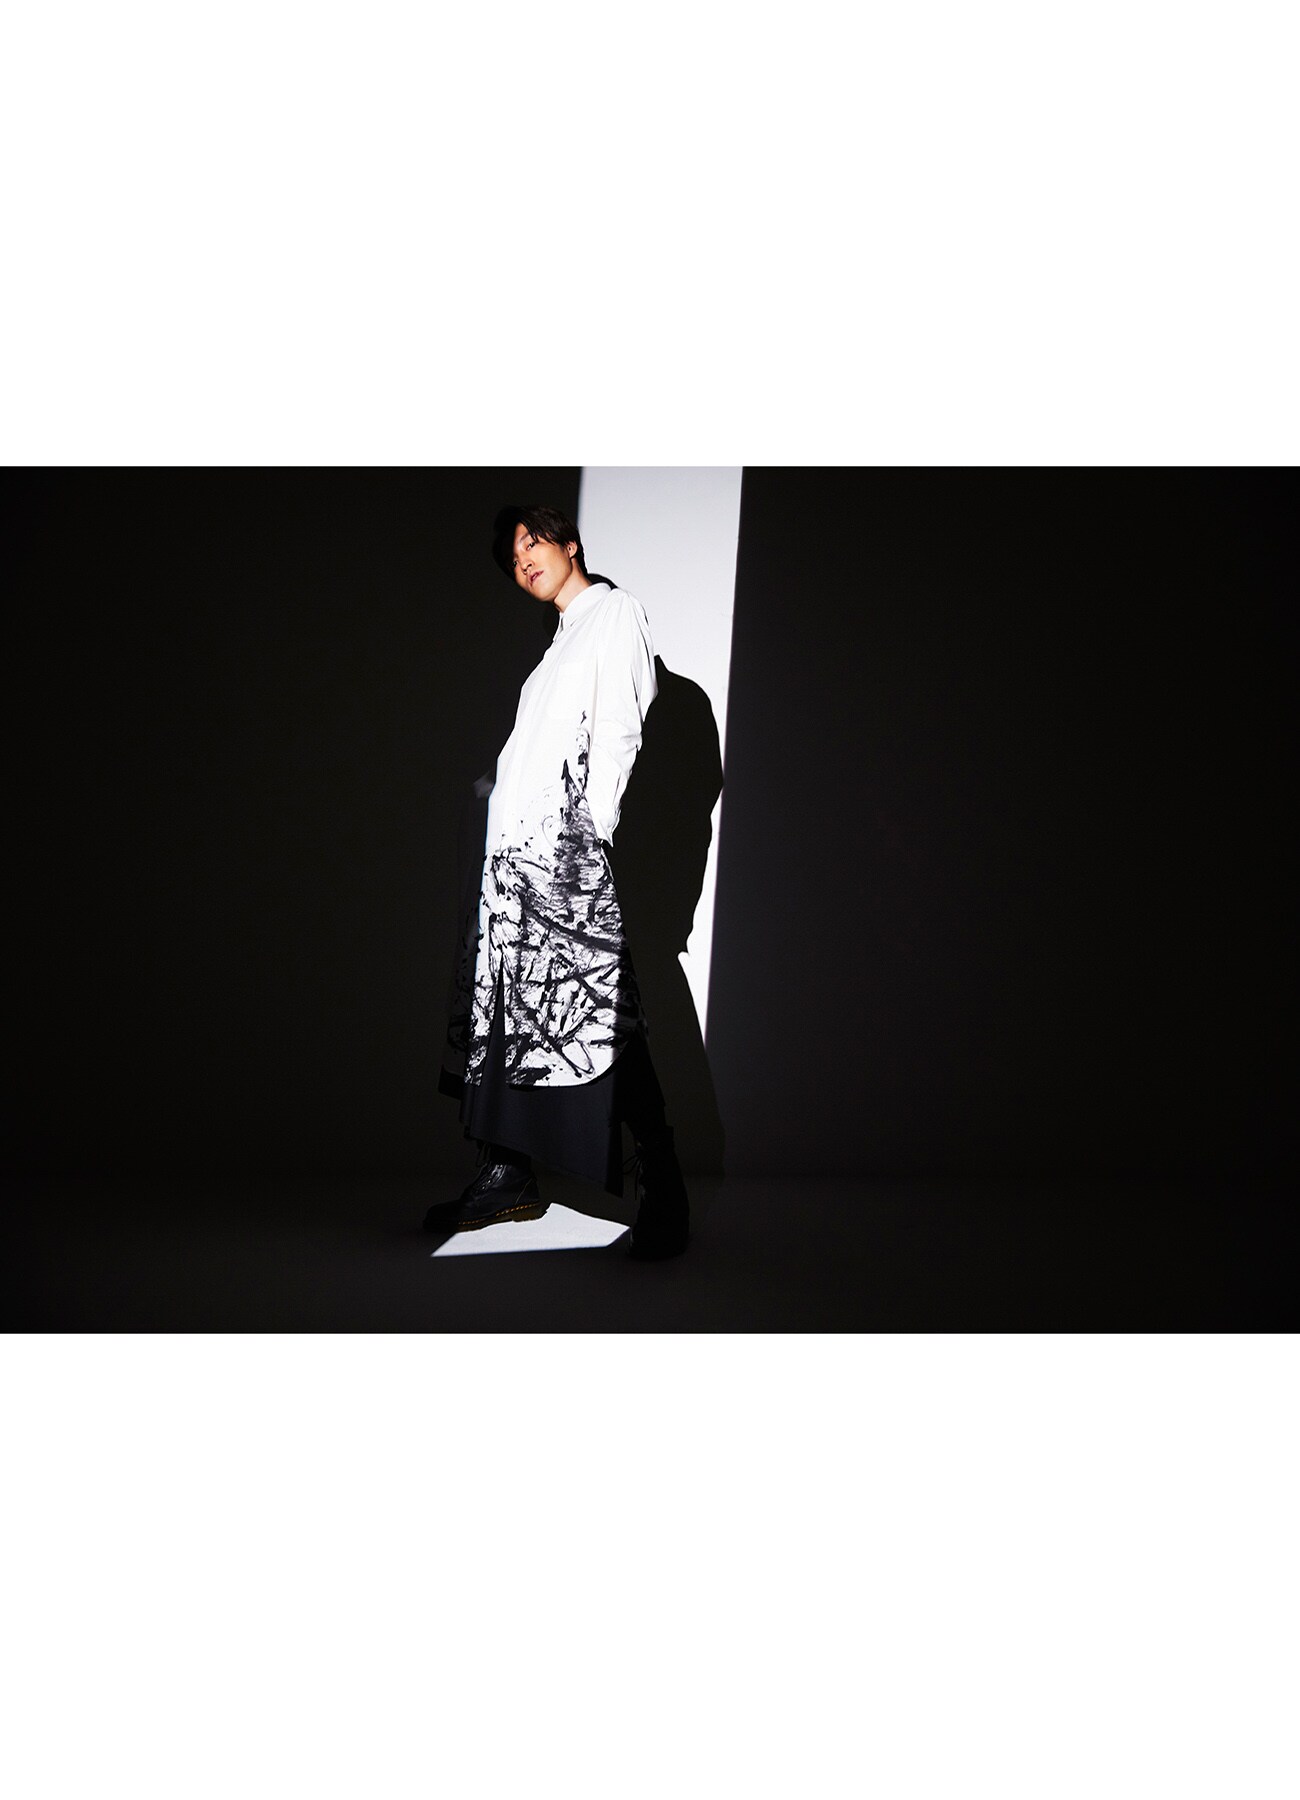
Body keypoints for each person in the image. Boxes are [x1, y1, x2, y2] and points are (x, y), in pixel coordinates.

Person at [427, 503, 690, 1259]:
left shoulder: (613, 613)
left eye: (532, 544)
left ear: (570, 544)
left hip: (560, 854)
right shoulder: (555, 648)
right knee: (510, 1020)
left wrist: (588, 830)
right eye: (513, 559)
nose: (523, 563)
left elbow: (619, 727)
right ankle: (507, 1174)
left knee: (598, 1016)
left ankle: (664, 1189)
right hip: (513, 864)